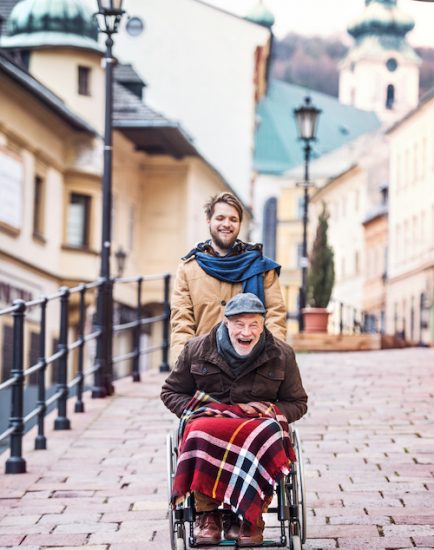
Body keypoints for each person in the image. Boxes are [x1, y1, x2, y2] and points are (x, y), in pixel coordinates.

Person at [161, 293, 308, 547]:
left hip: (254, 425)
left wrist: (268, 409)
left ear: (263, 325)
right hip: (211, 421)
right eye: (239, 324)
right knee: (199, 429)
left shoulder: (281, 354)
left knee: (269, 431)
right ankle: (208, 516)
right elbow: (170, 392)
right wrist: (201, 410)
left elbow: (298, 403)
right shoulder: (196, 350)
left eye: (253, 325)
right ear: (226, 322)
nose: (246, 332)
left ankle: (250, 517)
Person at [170, 192, 287, 363]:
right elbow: (182, 322)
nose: (226, 224)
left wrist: (274, 361)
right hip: (204, 365)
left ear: (240, 224)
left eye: (233, 219)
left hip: (251, 364)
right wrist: (183, 366)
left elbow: (275, 317)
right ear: (209, 221)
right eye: (220, 218)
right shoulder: (188, 269)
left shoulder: (261, 268)